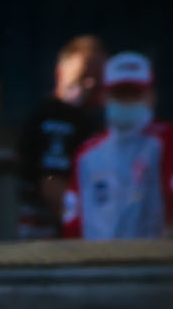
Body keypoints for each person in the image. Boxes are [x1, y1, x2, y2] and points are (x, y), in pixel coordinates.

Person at [61, 52, 173, 239]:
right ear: (105, 96)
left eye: (134, 94)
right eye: (120, 94)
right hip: (95, 265)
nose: (126, 101)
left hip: (150, 264)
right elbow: (72, 222)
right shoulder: (86, 154)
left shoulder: (169, 140)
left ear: (151, 96)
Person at [14, 36, 105, 239]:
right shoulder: (57, 118)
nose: (90, 84)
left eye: (98, 79)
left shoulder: (84, 119)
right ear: (60, 73)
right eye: (83, 77)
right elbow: (52, 187)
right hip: (52, 243)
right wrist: (84, 233)